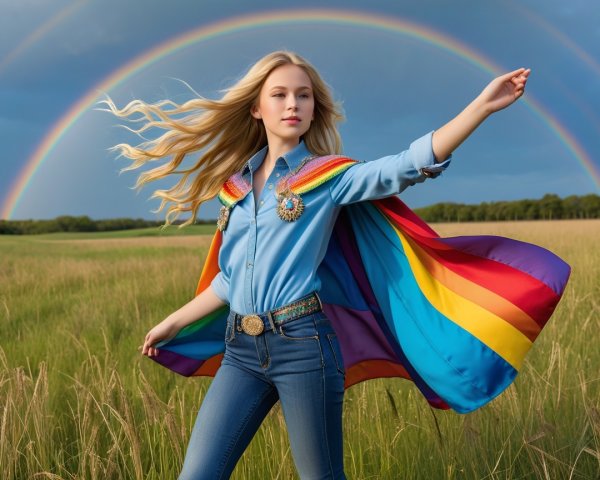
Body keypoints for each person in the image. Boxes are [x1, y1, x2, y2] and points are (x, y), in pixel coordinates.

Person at [103, 51, 567, 479]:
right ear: (256, 109)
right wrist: (173, 321)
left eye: (303, 95)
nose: (293, 104)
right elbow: (230, 279)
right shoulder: (235, 190)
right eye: (280, 95)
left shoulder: (327, 177)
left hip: (303, 347)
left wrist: (479, 108)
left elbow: (404, 166)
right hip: (241, 352)